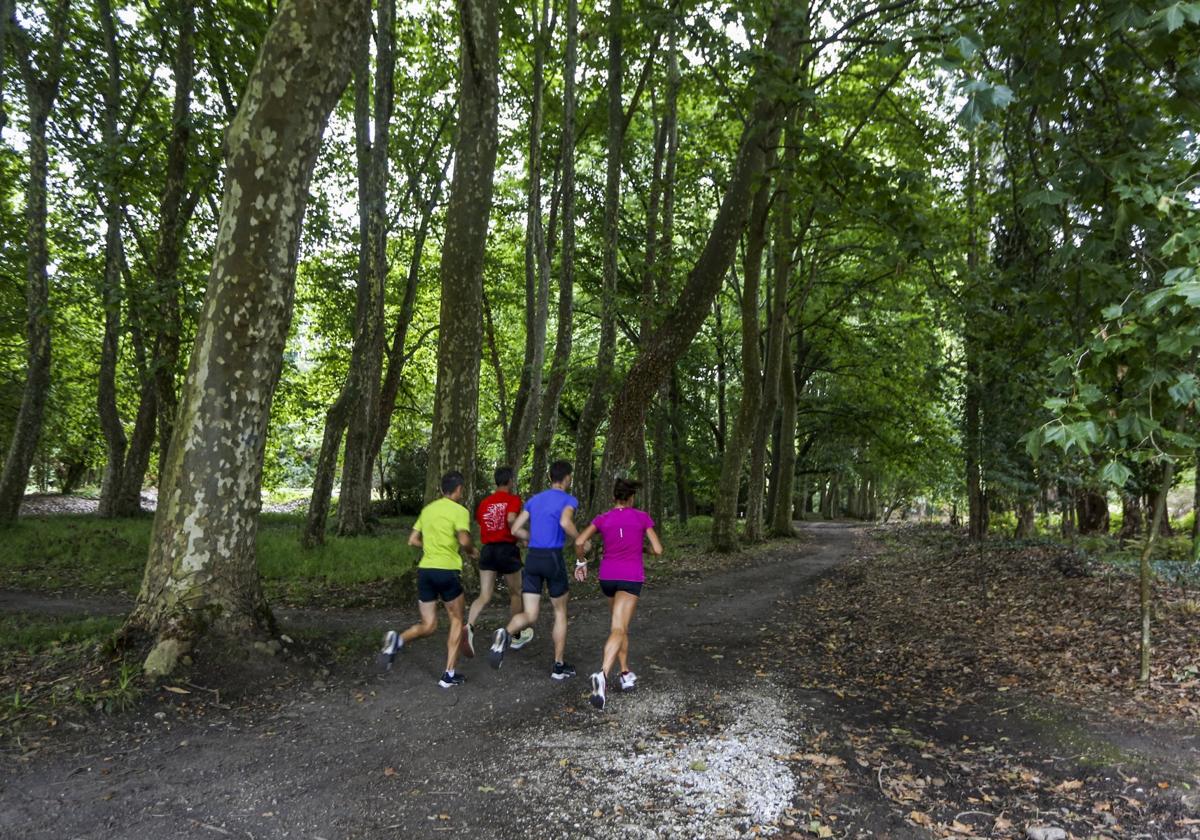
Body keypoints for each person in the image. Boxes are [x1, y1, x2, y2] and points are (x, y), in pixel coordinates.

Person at [378, 470, 477, 688]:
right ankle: (448, 675)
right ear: (459, 489)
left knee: (429, 624)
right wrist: (471, 550)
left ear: (442, 489)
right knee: (457, 620)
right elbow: (463, 539)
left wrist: (431, 547)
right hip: (447, 571)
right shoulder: (459, 511)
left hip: (425, 572)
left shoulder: (428, 510)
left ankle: (399, 640)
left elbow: (413, 540)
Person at [574, 478, 662, 710]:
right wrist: (642, 548)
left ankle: (624, 672)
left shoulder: (603, 518)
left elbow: (580, 540)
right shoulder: (641, 517)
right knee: (618, 628)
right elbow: (658, 549)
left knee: (620, 627)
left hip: (607, 578)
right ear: (631, 497)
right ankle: (602, 675)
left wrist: (581, 562)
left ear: (614, 497)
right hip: (630, 578)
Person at [489, 460, 580, 680]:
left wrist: (531, 538)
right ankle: (558, 666)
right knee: (560, 612)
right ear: (567, 477)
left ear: (550, 477)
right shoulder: (568, 499)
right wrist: (580, 539)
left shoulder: (534, 500)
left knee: (530, 614)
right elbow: (566, 523)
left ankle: (505, 633)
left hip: (533, 559)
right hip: (552, 558)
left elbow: (515, 528)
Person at [463, 466, 534, 656]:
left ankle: (469, 626)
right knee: (515, 593)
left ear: (496, 481)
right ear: (510, 480)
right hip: (507, 550)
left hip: (488, 550)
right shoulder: (513, 499)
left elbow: (482, 525)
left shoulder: (485, 503)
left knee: (484, 595)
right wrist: (523, 538)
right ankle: (516, 635)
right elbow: (511, 520)